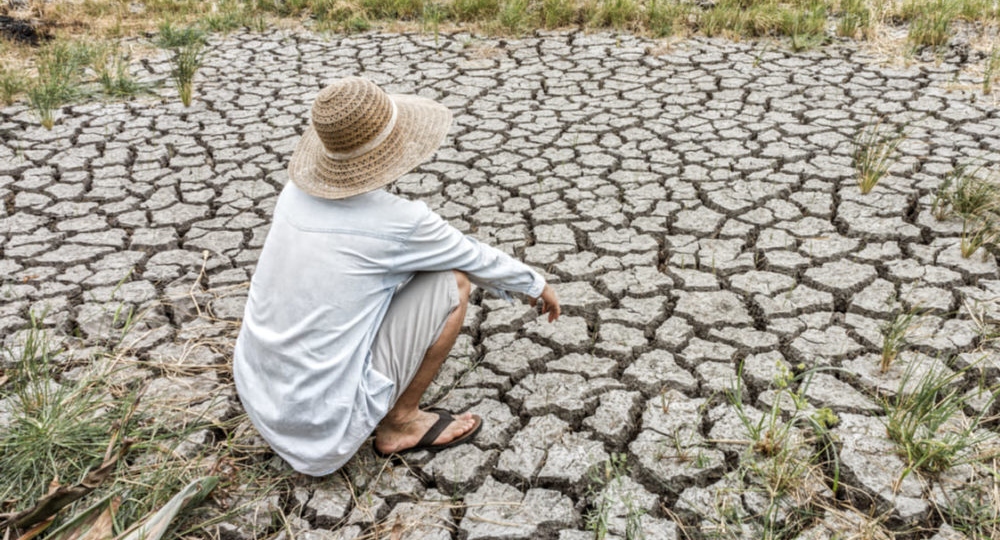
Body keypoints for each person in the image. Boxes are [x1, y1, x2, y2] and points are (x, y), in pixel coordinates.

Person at [233, 76, 561, 476]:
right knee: (451, 280)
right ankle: (401, 423)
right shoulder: (401, 222)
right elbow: (472, 258)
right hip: (321, 434)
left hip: (260, 395)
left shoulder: (294, 192)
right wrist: (535, 284)